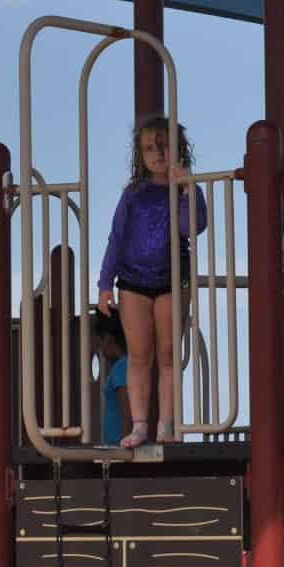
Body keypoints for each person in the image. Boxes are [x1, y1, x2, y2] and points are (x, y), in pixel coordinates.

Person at [97, 116, 207, 449]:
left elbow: (193, 227)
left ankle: (167, 423)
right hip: (132, 281)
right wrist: (104, 283)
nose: (157, 153)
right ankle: (141, 424)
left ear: (178, 149)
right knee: (140, 355)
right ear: (140, 156)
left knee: (169, 353)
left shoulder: (186, 189)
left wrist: (187, 189)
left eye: (163, 146)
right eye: (149, 148)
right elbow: (116, 238)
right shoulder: (133, 194)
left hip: (172, 280)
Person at [92, 308, 131, 446]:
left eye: (100, 344)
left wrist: (126, 444)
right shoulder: (124, 365)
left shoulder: (121, 366)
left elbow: (126, 406)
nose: (101, 350)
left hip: (121, 448)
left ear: (109, 339)